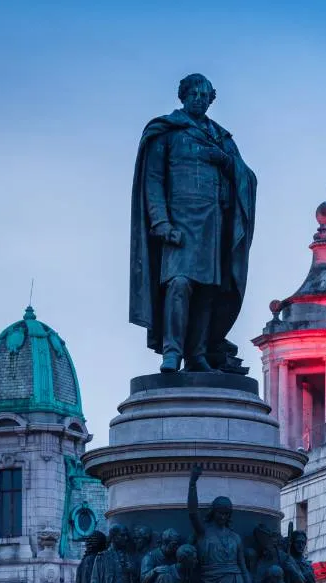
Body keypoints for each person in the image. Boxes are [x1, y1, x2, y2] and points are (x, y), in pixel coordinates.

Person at [129, 73, 257, 373]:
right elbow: (154, 180)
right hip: (180, 224)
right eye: (193, 94)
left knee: (207, 290)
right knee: (179, 284)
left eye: (204, 95)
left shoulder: (222, 138)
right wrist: (161, 222)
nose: (199, 100)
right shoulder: (168, 132)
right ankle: (172, 352)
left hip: (214, 225)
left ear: (211, 99)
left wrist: (226, 161)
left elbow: (247, 177)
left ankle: (197, 353)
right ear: (183, 97)